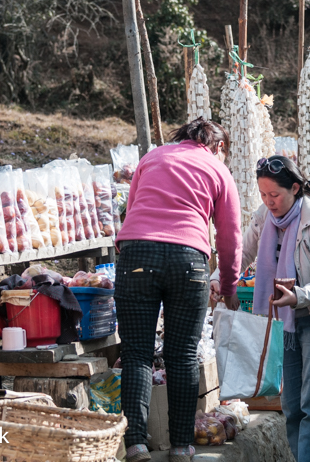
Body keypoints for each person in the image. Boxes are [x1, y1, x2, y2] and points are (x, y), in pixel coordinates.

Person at [115, 118, 243, 462]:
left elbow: (132, 209)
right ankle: (182, 446)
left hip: (136, 253)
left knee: (137, 354)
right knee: (182, 355)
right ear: (218, 147)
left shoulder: (153, 157)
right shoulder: (217, 170)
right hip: (189, 259)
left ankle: (137, 445)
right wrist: (229, 285)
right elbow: (230, 237)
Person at [210, 155, 310, 462]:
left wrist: (298, 295)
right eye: (264, 195)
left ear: (295, 188)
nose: (269, 202)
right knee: (293, 405)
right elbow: (241, 254)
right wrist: (220, 279)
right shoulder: (264, 218)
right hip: (282, 323)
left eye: (275, 195)